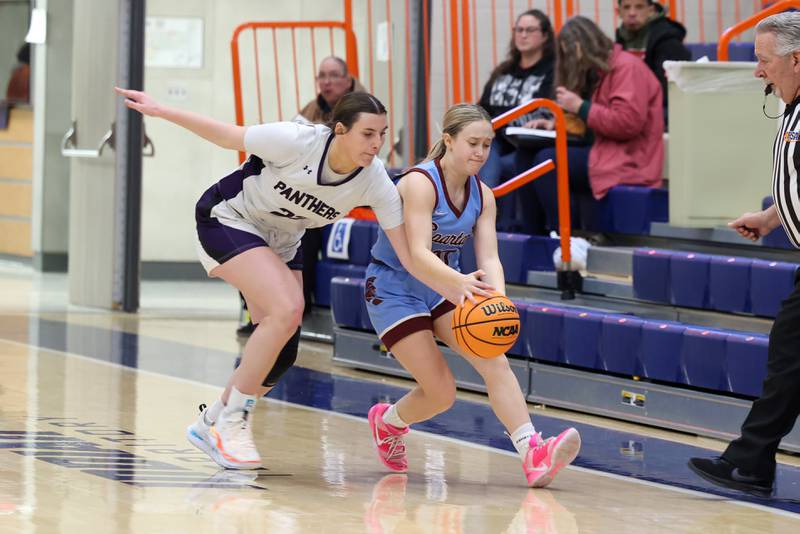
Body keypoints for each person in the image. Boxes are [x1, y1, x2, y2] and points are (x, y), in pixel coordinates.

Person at [116, 88, 488, 469]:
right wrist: (162, 110)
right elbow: (227, 134)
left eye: (382, 134)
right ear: (339, 130)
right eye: (368, 134)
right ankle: (232, 421)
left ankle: (209, 420)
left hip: (282, 241)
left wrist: (454, 286)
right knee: (287, 307)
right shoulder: (296, 141)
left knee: (283, 350)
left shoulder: (375, 181)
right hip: (229, 218)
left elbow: (411, 256)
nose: (377, 144)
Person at [364, 103, 581, 487]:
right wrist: (461, 284)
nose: (481, 153)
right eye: (473, 143)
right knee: (441, 393)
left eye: (487, 144)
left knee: (495, 362)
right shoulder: (419, 183)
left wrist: (497, 298)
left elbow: (490, 257)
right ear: (448, 139)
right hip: (394, 286)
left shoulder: (484, 196)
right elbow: (417, 254)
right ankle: (388, 422)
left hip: (444, 285)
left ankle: (533, 451)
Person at [688, 12, 800, 496]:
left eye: (763, 61)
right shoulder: (791, 108)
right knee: (788, 360)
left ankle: (751, 460)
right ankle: (752, 462)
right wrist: (773, 217)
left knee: (788, 360)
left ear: (796, 59)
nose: (758, 71)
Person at [237, 56, 368, 335]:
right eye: (322, 76)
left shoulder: (365, 108)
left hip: (344, 193)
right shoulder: (311, 109)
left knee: (301, 232)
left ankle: (292, 308)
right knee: (264, 231)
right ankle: (264, 312)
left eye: (333, 76)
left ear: (348, 79)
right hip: (307, 192)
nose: (327, 82)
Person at [514, 16, 664, 235]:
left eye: (572, 54)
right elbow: (594, 125)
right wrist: (556, 124)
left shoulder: (626, 68)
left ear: (583, 46)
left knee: (547, 161)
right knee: (526, 152)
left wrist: (579, 106)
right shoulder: (605, 69)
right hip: (604, 150)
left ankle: (568, 236)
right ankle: (536, 234)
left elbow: (626, 124)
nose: (573, 62)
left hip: (629, 158)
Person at [615, 0, 690, 115]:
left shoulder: (667, 40)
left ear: (651, 10)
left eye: (639, 7)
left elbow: (667, 89)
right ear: (618, 12)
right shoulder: (621, 38)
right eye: (626, 7)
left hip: (663, 110)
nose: (632, 13)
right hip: (631, 107)